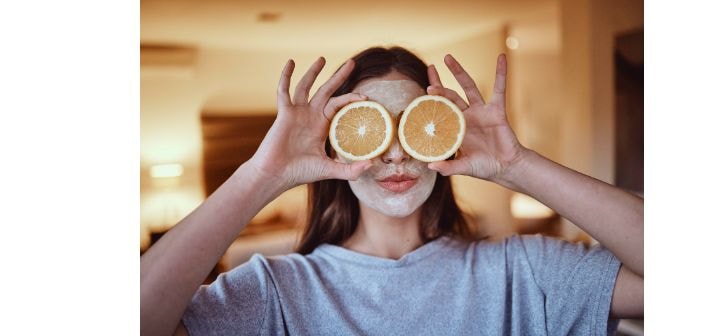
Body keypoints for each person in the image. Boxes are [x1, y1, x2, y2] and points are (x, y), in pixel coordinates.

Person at [140, 46, 643, 336]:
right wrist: (262, 176)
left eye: (413, 127)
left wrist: (517, 165)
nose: (397, 155)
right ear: (336, 148)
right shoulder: (274, 293)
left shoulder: (524, 274)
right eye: (372, 128)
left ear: (440, 135)